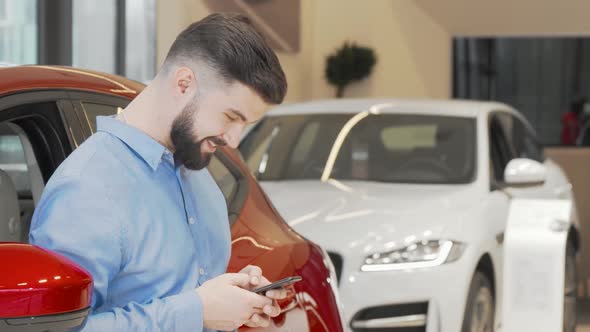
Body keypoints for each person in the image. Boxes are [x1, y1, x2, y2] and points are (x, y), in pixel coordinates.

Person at [29, 13, 288, 331]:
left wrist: (235, 301)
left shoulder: (203, 181)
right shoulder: (86, 189)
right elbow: (62, 329)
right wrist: (196, 311)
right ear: (184, 84)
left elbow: (196, 299)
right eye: (230, 116)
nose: (233, 140)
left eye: (245, 125)